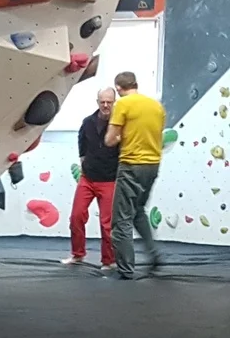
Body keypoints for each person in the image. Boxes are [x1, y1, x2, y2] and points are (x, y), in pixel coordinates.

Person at [104, 71, 166, 279]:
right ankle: (154, 254)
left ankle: (125, 270)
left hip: (131, 165)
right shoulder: (156, 106)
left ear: (118, 88)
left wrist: (119, 136)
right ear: (136, 84)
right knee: (138, 211)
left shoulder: (123, 104)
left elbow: (109, 140)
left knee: (121, 219)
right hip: (152, 165)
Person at [62, 88, 120, 268]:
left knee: (107, 224)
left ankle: (108, 260)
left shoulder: (120, 125)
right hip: (87, 178)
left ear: (114, 102)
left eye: (109, 102)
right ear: (97, 102)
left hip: (109, 180)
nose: (106, 105)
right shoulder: (88, 122)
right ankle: (78, 254)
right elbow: (82, 143)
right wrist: (83, 162)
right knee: (76, 217)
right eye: (102, 102)